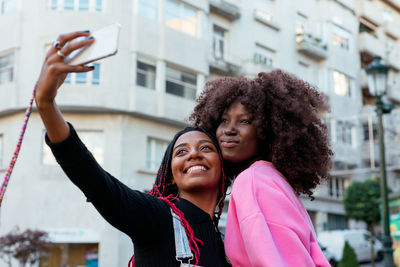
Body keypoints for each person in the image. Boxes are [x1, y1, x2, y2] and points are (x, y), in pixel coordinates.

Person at [35, 31, 231, 266]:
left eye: (206, 148)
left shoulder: (227, 244)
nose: (193, 154)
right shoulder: (156, 216)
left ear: (222, 166)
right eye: (181, 152)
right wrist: (46, 104)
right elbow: (96, 183)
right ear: (170, 174)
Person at [190, 71, 333, 266]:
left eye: (245, 121)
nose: (229, 129)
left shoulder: (252, 180)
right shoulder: (273, 179)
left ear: (268, 131)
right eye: (223, 120)